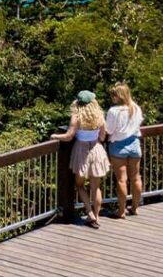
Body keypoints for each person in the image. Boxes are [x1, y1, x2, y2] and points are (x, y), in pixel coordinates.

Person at [51, 90, 110, 228]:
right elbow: (102, 137)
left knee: (79, 185)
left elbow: (68, 136)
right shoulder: (99, 116)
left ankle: (89, 213)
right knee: (96, 187)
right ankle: (97, 216)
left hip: (80, 150)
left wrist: (55, 136)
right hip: (96, 149)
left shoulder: (76, 117)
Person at [106, 82, 144, 218]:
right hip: (134, 144)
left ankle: (121, 211)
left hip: (118, 145)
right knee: (136, 177)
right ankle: (135, 208)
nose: (112, 97)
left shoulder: (113, 111)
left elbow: (109, 130)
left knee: (122, 180)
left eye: (114, 95)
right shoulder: (136, 108)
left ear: (119, 96)